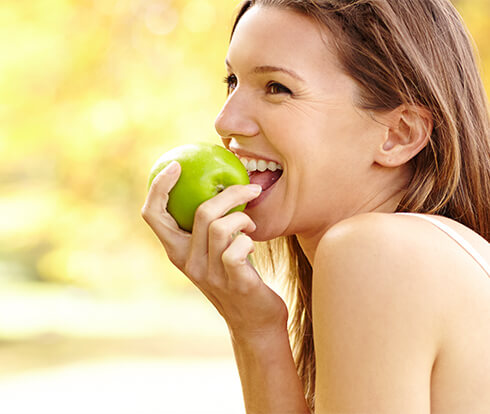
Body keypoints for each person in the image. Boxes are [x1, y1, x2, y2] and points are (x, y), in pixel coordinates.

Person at [142, 0, 490, 412]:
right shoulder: (429, 254)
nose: (225, 121)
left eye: (277, 88)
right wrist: (254, 326)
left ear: (398, 134)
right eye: (232, 80)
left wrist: (255, 333)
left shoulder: (377, 252)